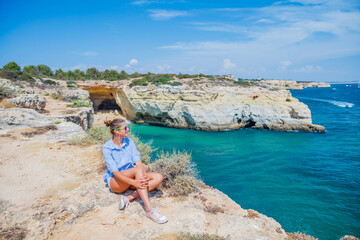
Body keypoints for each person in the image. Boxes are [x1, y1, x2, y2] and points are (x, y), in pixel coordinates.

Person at [102, 118, 168, 224]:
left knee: (158, 177)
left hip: (133, 176)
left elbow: (138, 162)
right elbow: (115, 173)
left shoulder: (129, 142)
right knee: (138, 171)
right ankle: (149, 210)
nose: (128, 129)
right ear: (117, 131)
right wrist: (134, 182)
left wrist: (143, 177)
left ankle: (128, 198)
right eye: (125, 128)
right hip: (116, 182)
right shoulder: (107, 148)